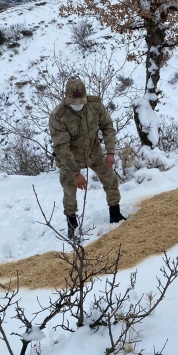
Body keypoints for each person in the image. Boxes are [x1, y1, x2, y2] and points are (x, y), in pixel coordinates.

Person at [49, 78, 126, 239]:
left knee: (111, 180)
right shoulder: (58, 116)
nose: (78, 104)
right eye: (73, 102)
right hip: (70, 160)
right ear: (65, 96)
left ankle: (115, 214)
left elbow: (107, 126)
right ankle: (72, 225)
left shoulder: (95, 105)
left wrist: (110, 152)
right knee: (69, 191)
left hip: (94, 152)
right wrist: (76, 173)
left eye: (81, 101)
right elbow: (62, 148)